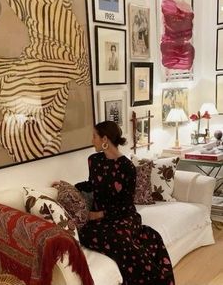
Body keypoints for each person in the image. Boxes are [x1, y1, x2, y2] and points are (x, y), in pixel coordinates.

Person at [75, 121, 175, 285]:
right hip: (99, 223)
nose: (92, 140)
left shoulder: (127, 167)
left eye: (94, 136)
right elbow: (92, 184)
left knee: (122, 240)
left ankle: (156, 280)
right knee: (86, 234)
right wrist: (68, 186)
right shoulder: (93, 160)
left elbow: (125, 204)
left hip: (124, 216)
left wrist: (99, 214)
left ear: (105, 139)